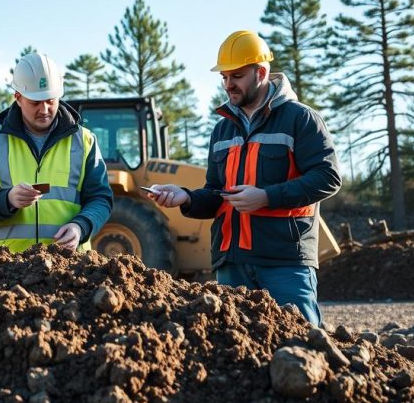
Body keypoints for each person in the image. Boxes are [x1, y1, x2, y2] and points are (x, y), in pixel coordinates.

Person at [145, 30, 340, 325]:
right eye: (224, 77)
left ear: (261, 72)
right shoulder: (222, 130)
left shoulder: (300, 119)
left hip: (284, 262)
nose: (228, 84)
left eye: (236, 76)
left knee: (303, 346)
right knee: (236, 357)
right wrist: (185, 197)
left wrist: (266, 197)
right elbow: (215, 193)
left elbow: (328, 177)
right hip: (231, 263)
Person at [0, 52, 113, 252]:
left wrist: (81, 226)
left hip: (70, 270)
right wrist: (6, 200)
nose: (44, 110)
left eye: (50, 100)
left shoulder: (85, 141)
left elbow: (101, 199)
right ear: (18, 98)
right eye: (35, 102)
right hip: (5, 270)